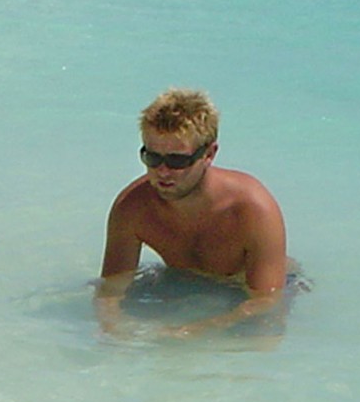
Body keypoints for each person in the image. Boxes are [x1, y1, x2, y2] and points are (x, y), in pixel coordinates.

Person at [95, 88, 289, 338]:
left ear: (209, 154)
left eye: (177, 161)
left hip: (251, 289)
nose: (162, 172)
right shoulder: (133, 208)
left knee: (262, 338)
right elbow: (111, 289)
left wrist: (194, 331)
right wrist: (113, 333)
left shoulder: (253, 210)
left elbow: (267, 300)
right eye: (152, 157)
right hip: (185, 282)